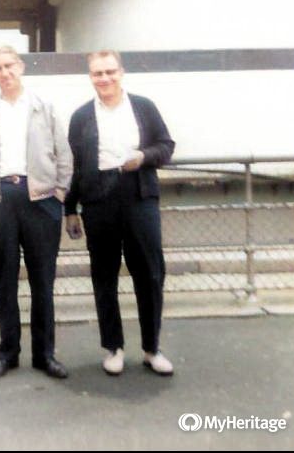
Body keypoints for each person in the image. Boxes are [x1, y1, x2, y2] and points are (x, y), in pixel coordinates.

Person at [64, 50, 175, 376]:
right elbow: (74, 166)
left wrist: (143, 157)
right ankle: (113, 348)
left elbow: (166, 146)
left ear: (121, 72)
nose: (105, 78)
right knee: (104, 276)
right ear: (90, 77)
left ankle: (152, 348)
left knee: (150, 273)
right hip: (98, 202)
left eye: (110, 71)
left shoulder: (143, 106)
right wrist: (70, 208)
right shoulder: (81, 116)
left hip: (139, 197)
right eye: (98, 73)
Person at [0, 46, 73, 380]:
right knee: (4, 281)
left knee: (43, 281)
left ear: (21, 67)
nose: (4, 73)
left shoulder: (43, 108)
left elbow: (64, 155)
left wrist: (58, 195)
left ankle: (45, 355)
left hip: (40, 199)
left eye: (9, 66)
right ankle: (8, 353)